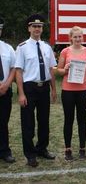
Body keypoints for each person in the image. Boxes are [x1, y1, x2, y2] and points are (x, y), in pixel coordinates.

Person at [15, 14, 57, 167]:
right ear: (29, 28)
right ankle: (30, 154)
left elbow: (51, 69)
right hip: (29, 88)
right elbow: (18, 71)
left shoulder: (47, 47)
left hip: (44, 87)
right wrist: (21, 93)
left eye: (40, 26)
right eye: (34, 26)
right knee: (28, 122)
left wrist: (53, 89)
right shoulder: (22, 47)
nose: (37, 29)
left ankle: (42, 148)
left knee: (44, 121)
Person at [57, 26, 86, 161]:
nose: (78, 39)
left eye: (80, 36)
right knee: (69, 120)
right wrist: (65, 69)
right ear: (70, 38)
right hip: (68, 90)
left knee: (82, 120)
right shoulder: (65, 51)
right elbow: (58, 70)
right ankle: (68, 149)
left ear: (82, 37)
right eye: (75, 37)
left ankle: (82, 148)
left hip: (83, 90)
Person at [0, 17, 16, 163]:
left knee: (3, 122)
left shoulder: (8, 48)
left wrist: (6, 85)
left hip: (4, 91)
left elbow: (13, 68)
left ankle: (5, 151)